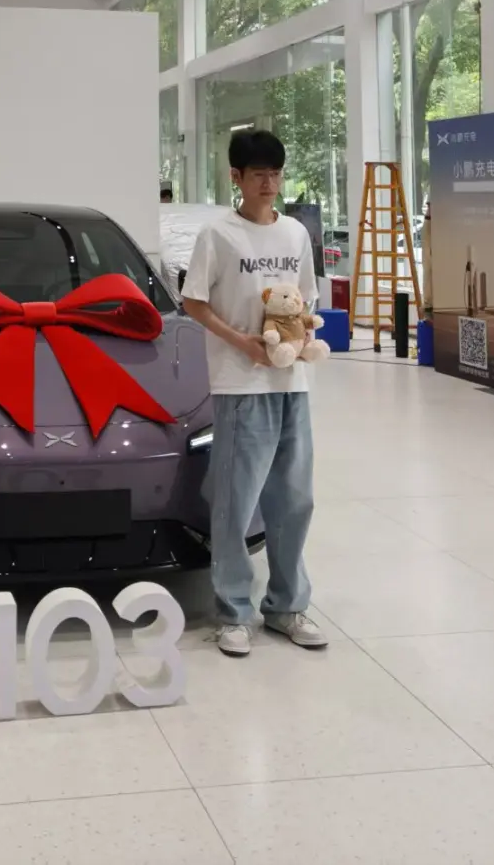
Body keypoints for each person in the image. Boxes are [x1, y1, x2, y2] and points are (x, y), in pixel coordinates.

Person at [181, 129, 326, 657]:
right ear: (236, 177)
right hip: (241, 383)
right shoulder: (218, 235)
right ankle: (234, 611)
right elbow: (194, 302)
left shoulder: (294, 234)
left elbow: (306, 299)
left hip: (293, 383)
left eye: (276, 173)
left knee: (294, 498)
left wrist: (302, 337)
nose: (269, 183)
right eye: (259, 174)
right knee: (236, 501)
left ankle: (287, 606)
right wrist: (241, 342)